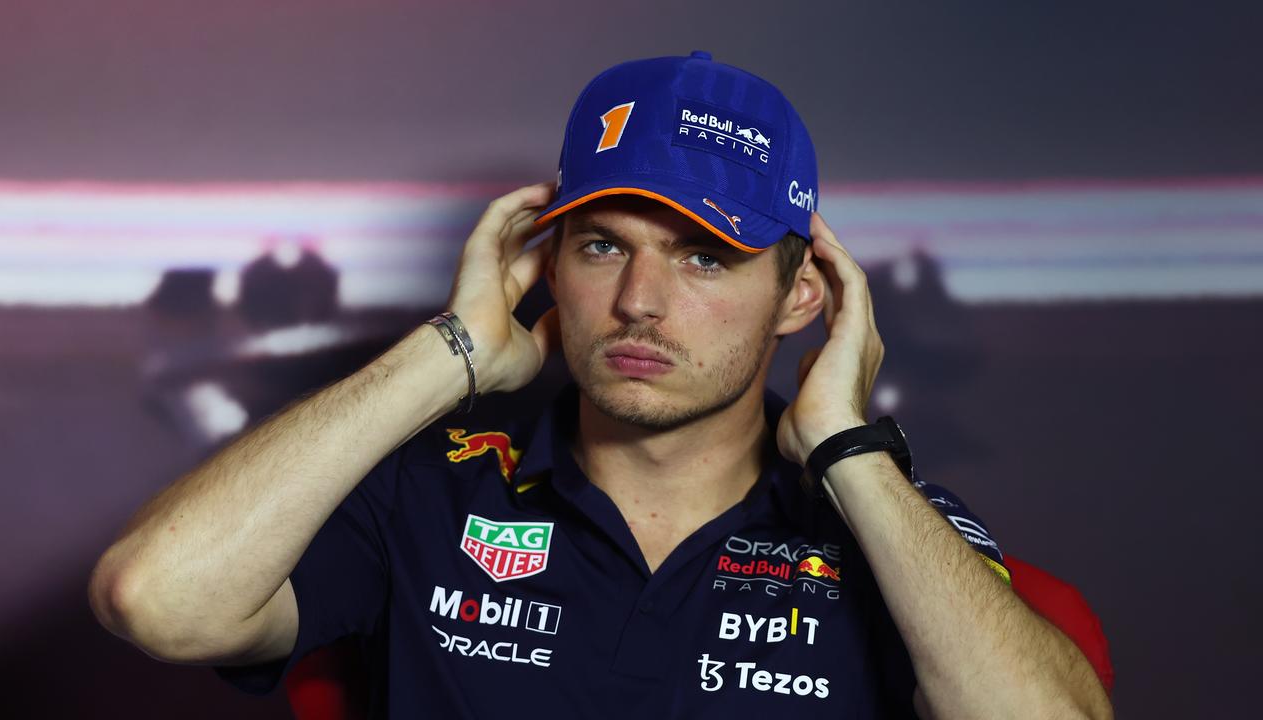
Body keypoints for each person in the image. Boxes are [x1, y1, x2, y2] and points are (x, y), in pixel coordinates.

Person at [89, 52, 1112, 718]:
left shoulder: (883, 520)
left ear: (802, 296)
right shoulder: (434, 488)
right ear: (542, 269)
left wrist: (847, 449)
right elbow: (157, 601)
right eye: (599, 247)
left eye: (704, 257)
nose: (637, 300)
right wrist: (448, 352)